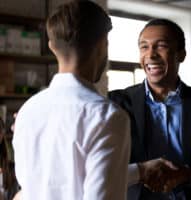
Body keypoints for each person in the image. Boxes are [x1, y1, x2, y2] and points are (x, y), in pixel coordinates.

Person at [12, 1, 131, 200]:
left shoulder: (27, 111)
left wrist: (141, 171)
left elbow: (42, 185)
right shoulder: (108, 117)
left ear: (51, 47)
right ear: (102, 44)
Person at [108, 18, 191, 199]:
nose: (151, 55)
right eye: (144, 47)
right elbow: (103, 169)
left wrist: (186, 175)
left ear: (181, 54)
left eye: (161, 46)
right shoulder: (116, 103)